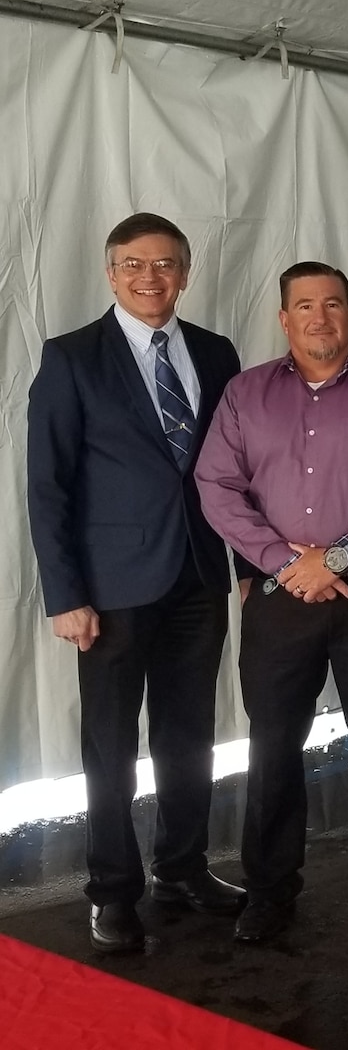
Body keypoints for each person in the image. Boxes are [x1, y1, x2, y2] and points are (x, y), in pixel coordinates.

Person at [195, 261, 348, 943]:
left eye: (333, 304)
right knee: (273, 748)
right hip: (280, 598)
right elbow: (216, 485)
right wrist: (284, 563)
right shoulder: (245, 395)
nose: (320, 317)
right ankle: (269, 891)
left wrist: (337, 558)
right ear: (285, 319)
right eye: (305, 306)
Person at [27, 213, 246, 954]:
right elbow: (47, 486)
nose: (150, 277)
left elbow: (235, 471)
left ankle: (181, 868)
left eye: (165, 264)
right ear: (110, 271)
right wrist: (65, 595)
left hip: (197, 579)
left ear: (186, 272)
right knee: (112, 745)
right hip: (111, 588)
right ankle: (112, 890)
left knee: (190, 736)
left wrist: (245, 567)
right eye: (134, 264)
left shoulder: (216, 353)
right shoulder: (71, 358)